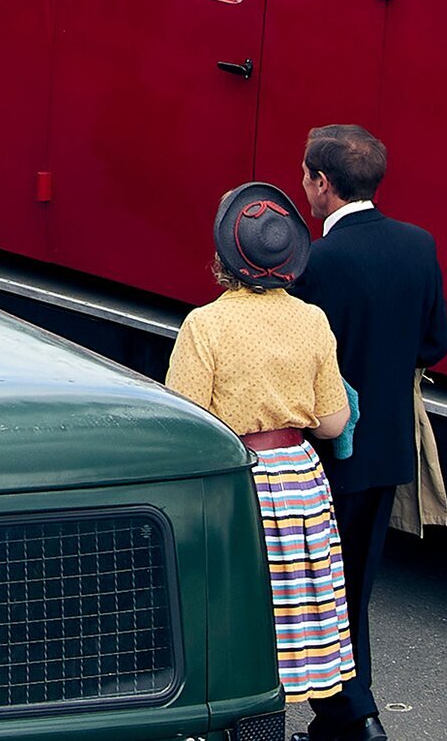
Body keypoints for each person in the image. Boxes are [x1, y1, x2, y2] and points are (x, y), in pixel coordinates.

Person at [165, 182, 360, 724]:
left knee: (237, 610)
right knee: (291, 608)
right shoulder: (312, 320)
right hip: (298, 479)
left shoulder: (205, 324)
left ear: (225, 255)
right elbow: (333, 422)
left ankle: (242, 722)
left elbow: (187, 424)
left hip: (237, 480)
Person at [294, 124, 447, 741]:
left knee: (313, 585)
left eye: (306, 176)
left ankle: (353, 714)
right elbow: (436, 343)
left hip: (328, 449)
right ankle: (349, 713)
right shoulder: (419, 244)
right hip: (387, 448)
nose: (303, 187)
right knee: (354, 586)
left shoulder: (319, 260)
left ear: (323, 183)